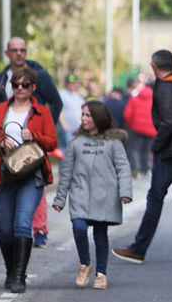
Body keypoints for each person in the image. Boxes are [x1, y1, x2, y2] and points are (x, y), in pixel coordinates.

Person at [111, 49, 172, 266]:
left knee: (155, 198)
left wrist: (157, 146)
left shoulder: (165, 87)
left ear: (154, 66)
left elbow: (168, 122)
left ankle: (138, 248)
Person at [0, 67, 57, 293]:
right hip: (2, 174)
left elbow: (52, 143)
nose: (20, 89)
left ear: (33, 87)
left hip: (31, 173)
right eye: (16, 85)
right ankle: (10, 270)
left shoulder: (42, 112)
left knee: (23, 224)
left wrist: (34, 136)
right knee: (6, 230)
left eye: (25, 85)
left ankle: (19, 276)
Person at [52, 100, 133, 290]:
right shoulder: (75, 143)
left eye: (88, 115)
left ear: (99, 117)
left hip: (105, 196)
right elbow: (67, 173)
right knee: (79, 228)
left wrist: (125, 192)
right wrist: (60, 198)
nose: (84, 118)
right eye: (83, 115)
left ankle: (101, 274)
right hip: (80, 195)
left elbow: (123, 168)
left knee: (100, 235)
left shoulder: (113, 143)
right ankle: (85, 264)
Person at [0, 37, 62, 248]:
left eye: (22, 50)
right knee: (11, 183)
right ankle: (16, 228)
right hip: (8, 142)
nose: (19, 54)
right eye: (14, 50)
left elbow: (56, 102)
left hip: (33, 141)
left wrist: (44, 126)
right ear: (7, 53)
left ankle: (39, 228)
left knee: (35, 181)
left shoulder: (40, 75)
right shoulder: (0, 78)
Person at [124, 79, 155, 176]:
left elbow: (127, 114)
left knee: (135, 149)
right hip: (151, 130)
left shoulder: (134, 98)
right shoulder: (156, 100)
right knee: (147, 150)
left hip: (136, 128)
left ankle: (136, 169)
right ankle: (145, 170)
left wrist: (132, 124)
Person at [56, 74, 84, 153]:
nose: (73, 85)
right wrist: (63, 124)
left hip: (77, 128)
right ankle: (64, 165)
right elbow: (59, 110)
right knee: (66, 150)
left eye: (74, 83)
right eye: (71, 83)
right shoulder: (62, 94)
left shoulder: (77, 95)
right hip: (66, 128)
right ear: (66, 84)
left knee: (76, 151)